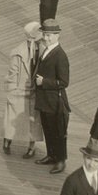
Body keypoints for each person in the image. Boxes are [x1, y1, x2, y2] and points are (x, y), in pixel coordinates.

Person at [33, 21, 71, 174]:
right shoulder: (47, 50)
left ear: (57, 35)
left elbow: (64, 82)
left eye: (49, 35)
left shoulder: (60, 55)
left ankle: (61, 161)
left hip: (55, 101)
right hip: (45, 100)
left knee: (58, 131)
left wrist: (44, 82)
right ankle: (51, 155)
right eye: (44, 35)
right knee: (48, 129)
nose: (46, 38)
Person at [4, 22, 42, 159]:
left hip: (35, 91)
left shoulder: (42, 50)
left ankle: (32, 147)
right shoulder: (18, 53)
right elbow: (12, 74)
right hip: (19, 90)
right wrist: (11, 91)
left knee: (34, 119)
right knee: (13, 117)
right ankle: (7, 140)